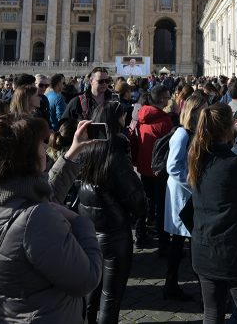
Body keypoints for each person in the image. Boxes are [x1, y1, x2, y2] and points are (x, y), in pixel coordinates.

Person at [0, 115, 103, 322]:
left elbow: (45, 193)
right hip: (46, 315)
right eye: (40, 145)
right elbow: (86, 279)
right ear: (26, 157)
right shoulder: (35, 218)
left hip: (8, 312)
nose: (45, 149)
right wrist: (81, 222)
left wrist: (73, 152)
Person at [188, 104, 237, 324]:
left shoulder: (197, 158)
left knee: (212, 314)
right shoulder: (235, 164)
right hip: (231, 252)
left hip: (202, 246)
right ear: (227, 128)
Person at [79, 102, 148, 324]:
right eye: (122, 117)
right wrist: (140, 211)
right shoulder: (116, 153)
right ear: (115, 121)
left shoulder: (86, 148)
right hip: (114, 232)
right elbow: (135, 197)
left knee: (90, 291)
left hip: (88, 228)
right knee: (110, 297)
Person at [163, 91, 205, 300]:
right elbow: (173, 167)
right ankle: (191, 289)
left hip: (185, 192)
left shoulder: (192, 132)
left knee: (179, 242)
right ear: (194, 111)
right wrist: (193, 183)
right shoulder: (182, 134)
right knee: (185, 241)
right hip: (182, 193)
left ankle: (171, 285)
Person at [132, 87, 174, 250]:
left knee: (147, 201)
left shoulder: (141, 115)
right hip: (159, 169)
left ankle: (142, 234)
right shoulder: (164, 121)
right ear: (162, 99)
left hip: (144, 166)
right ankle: (163, 242)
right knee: (161, 205)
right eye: (168, 97)